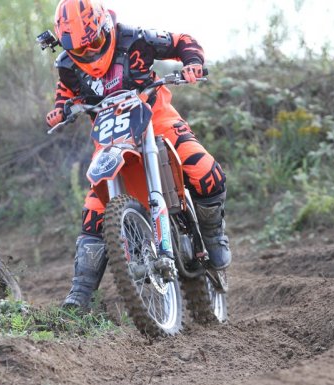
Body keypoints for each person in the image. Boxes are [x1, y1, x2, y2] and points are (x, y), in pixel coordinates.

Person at [46, 0, 230, 310]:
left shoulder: (135, 38)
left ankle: (213, 236)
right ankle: (80, 294)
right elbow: (66, 93)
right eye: (80, 49)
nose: (89, 53)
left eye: (94, 43)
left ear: (106, 27)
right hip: (111, 135)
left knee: (203, 169)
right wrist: (60, 109)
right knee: (94, 208)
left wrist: (192, 62)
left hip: (157, 118)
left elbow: (182, 41)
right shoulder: (67, 66)